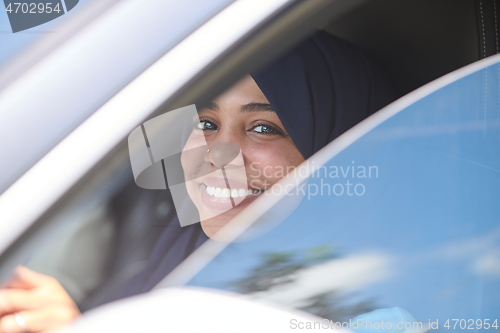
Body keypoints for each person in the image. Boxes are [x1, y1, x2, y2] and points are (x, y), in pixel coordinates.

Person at [0, 30, 395, 333]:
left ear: (338, 145)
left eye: (262, 127)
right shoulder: (183, 249)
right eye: (206, 123)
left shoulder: (378, 306)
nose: (216, 153)